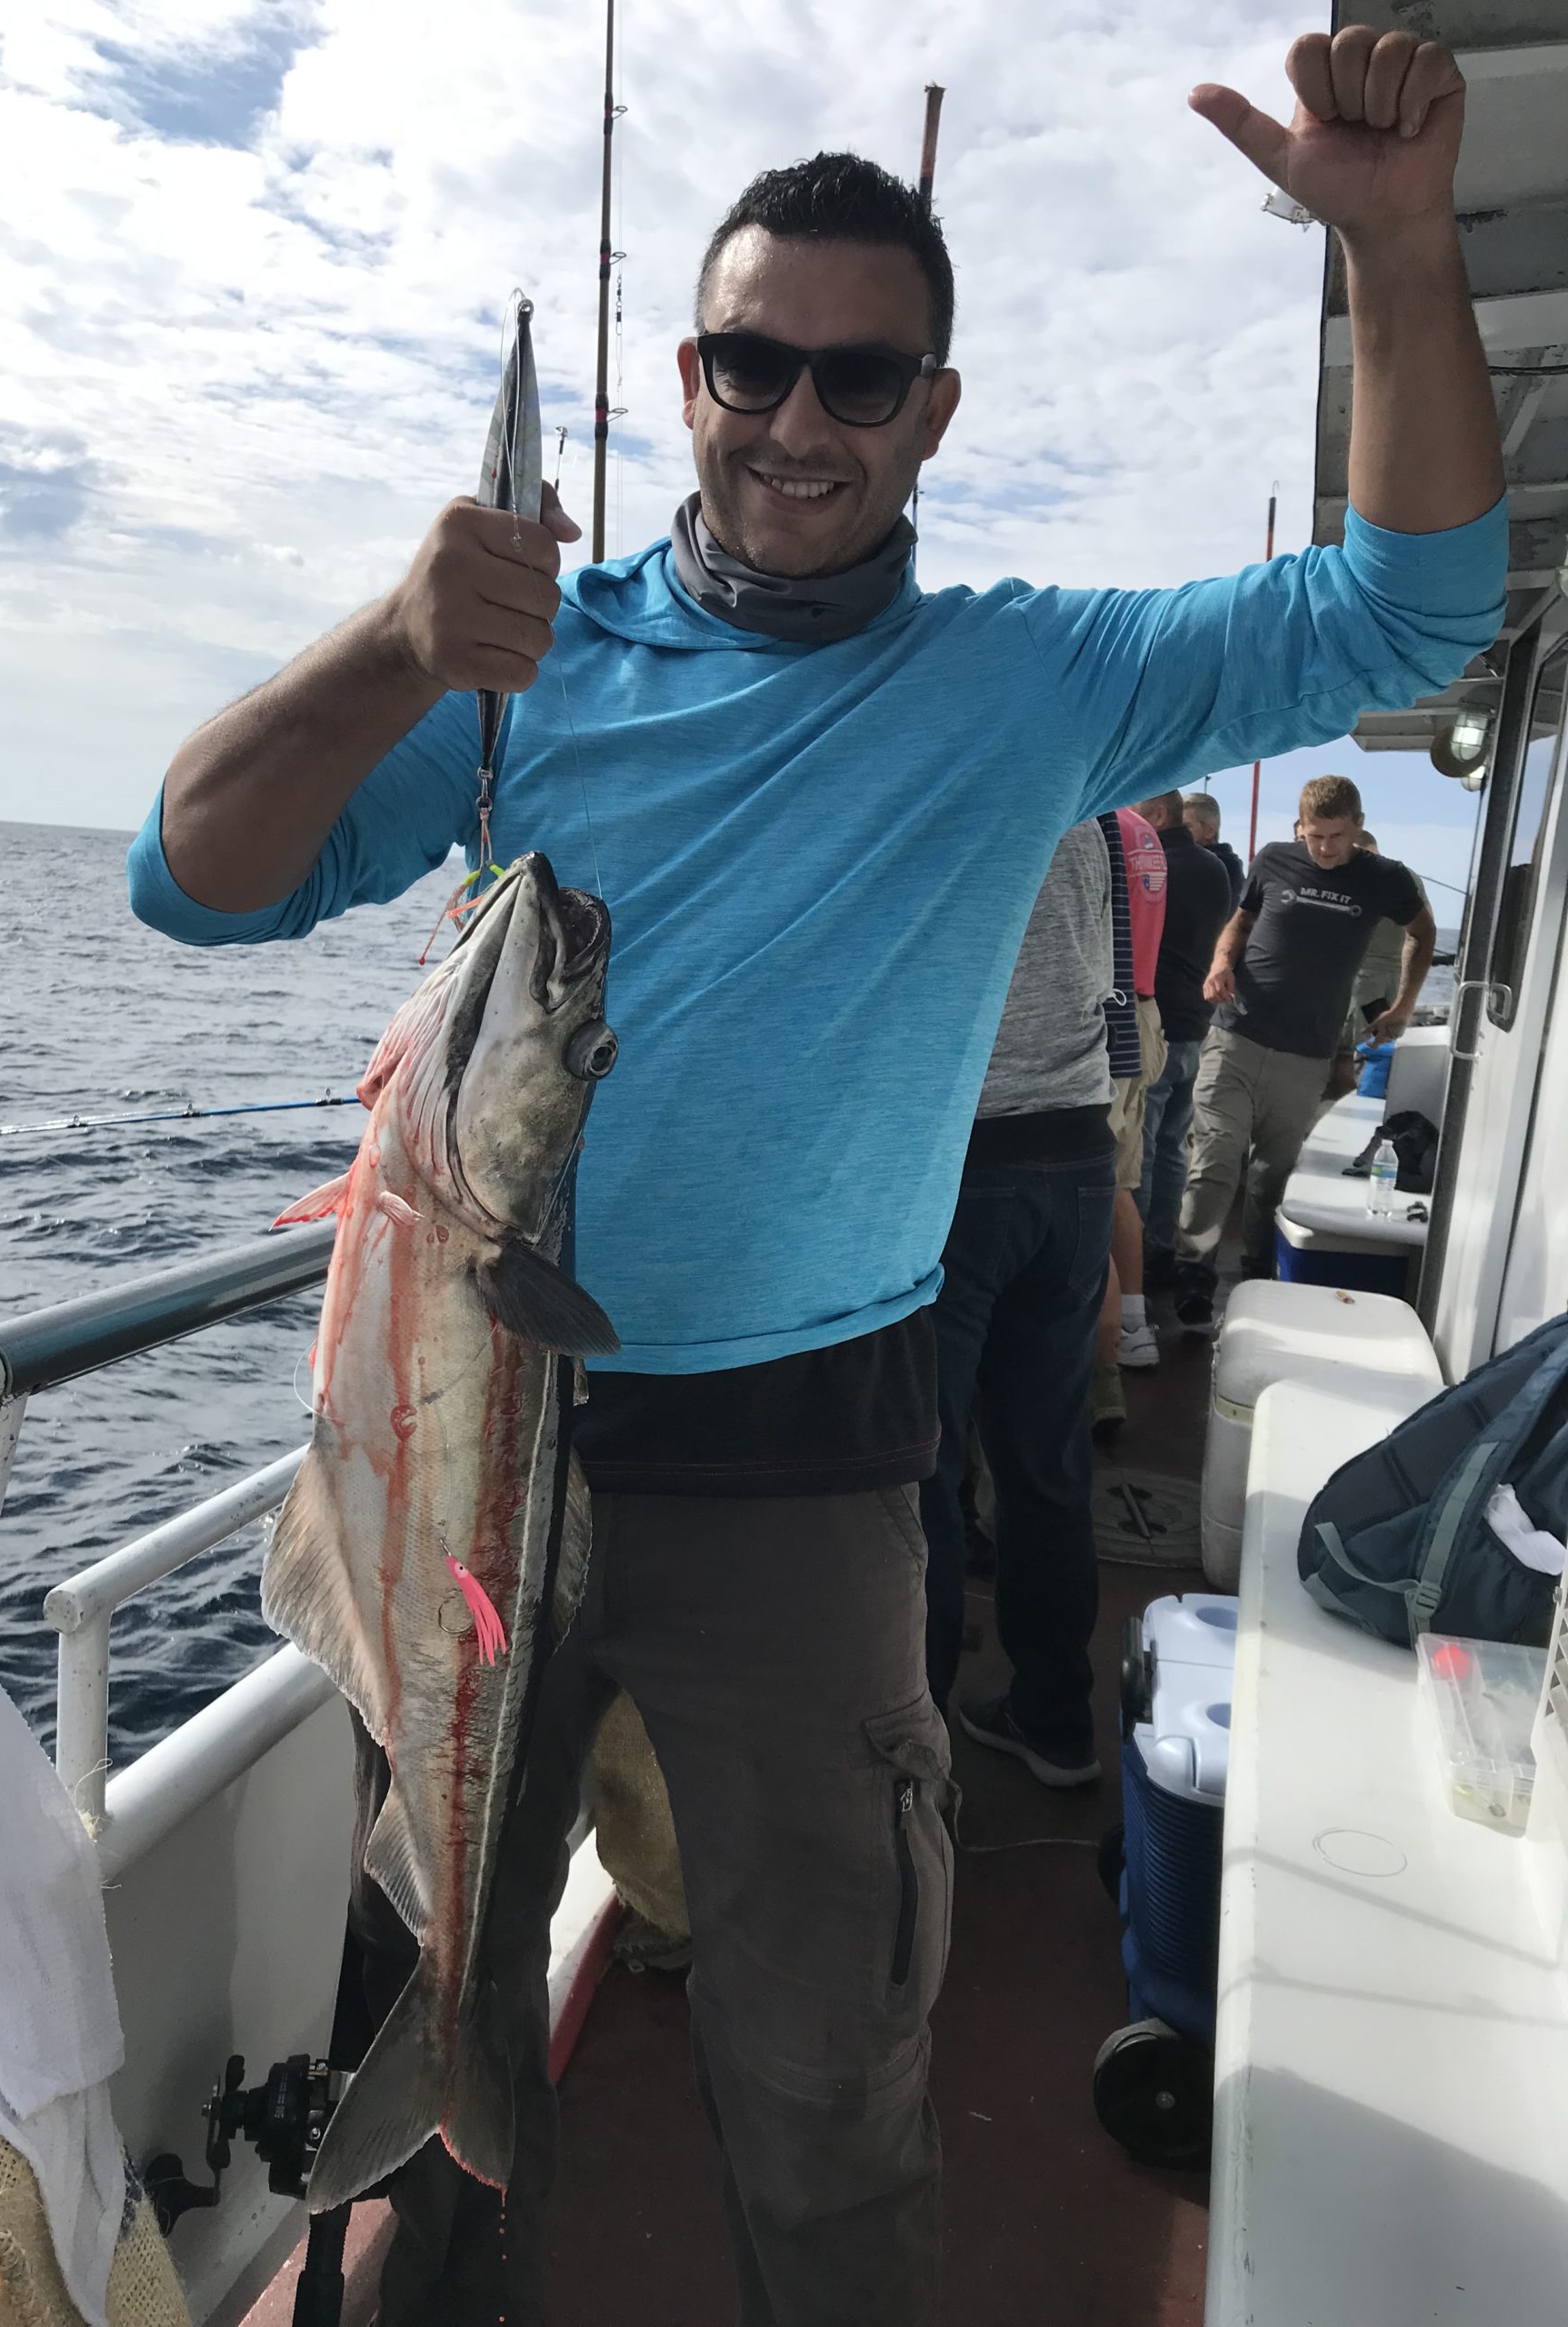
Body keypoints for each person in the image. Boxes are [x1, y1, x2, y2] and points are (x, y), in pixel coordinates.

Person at [128, 32, 1504, 2322]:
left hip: (809, 1473)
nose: (798, 414)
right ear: (685, 373)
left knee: (830, 2049)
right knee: (422, 1984)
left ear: (935, 413)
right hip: (470, 1457)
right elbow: (197, 880)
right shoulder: (513, 667)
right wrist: (389, 641)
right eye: (752, 358)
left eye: (859, 377)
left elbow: (1407, 612)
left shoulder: (1033, 684)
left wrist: (1394, 251)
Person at [921, 822, 1114, 1775]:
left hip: (962, 1159)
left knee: (928, 1463)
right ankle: (1057, 1717)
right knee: (1046, 1462)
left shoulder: (957, 774)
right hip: (1079, 1151)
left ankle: (913, 1752)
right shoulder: (1094, 804)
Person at [1173, 774, 1437, 1327]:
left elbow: (1425, 931)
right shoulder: (1274, 860)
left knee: (1272, 1174)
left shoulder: (1385, 878)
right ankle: (1192, 1275)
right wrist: (1221, 964)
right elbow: (1239, 924)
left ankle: (1257, 1276)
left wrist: (1405, 1005)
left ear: (1358, 827)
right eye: (1315, 836)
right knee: (1215, 1158)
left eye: (1336, 837)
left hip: (1307, 1052)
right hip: (1237, 1034)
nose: (1324, 848)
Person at [1135, 791, 1233, 1296]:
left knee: (1142, 1149)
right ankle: (1160, 1246)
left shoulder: (1150, 868)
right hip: (1196, 1026)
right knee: (1173, 1147)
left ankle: (1138, 1260)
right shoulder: (1216, 870)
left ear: (1157, 816)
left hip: (1154, 1029)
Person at [1106, 804, 1167, 1373]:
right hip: (1142, 1012)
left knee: (1096, 1183)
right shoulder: (1143, 830)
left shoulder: (1102, 824)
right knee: (1121, 1179)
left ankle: (1117, 1331)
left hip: (1108, 1019)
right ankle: (1132, 1319)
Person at [1329, 827, 1415, 1094]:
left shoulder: (1360, 879)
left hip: (1364, 983)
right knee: (1377, 1052)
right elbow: (1420, 934)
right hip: (1392, 984)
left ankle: (1353, 1108)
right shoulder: (1406, 878)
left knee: (1351, 1054)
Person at [1183, 790, 1246, 899]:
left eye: (1187, 827)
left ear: (1210, 831)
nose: (1179, 832)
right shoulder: (1231, 866)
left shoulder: (1209, 868)